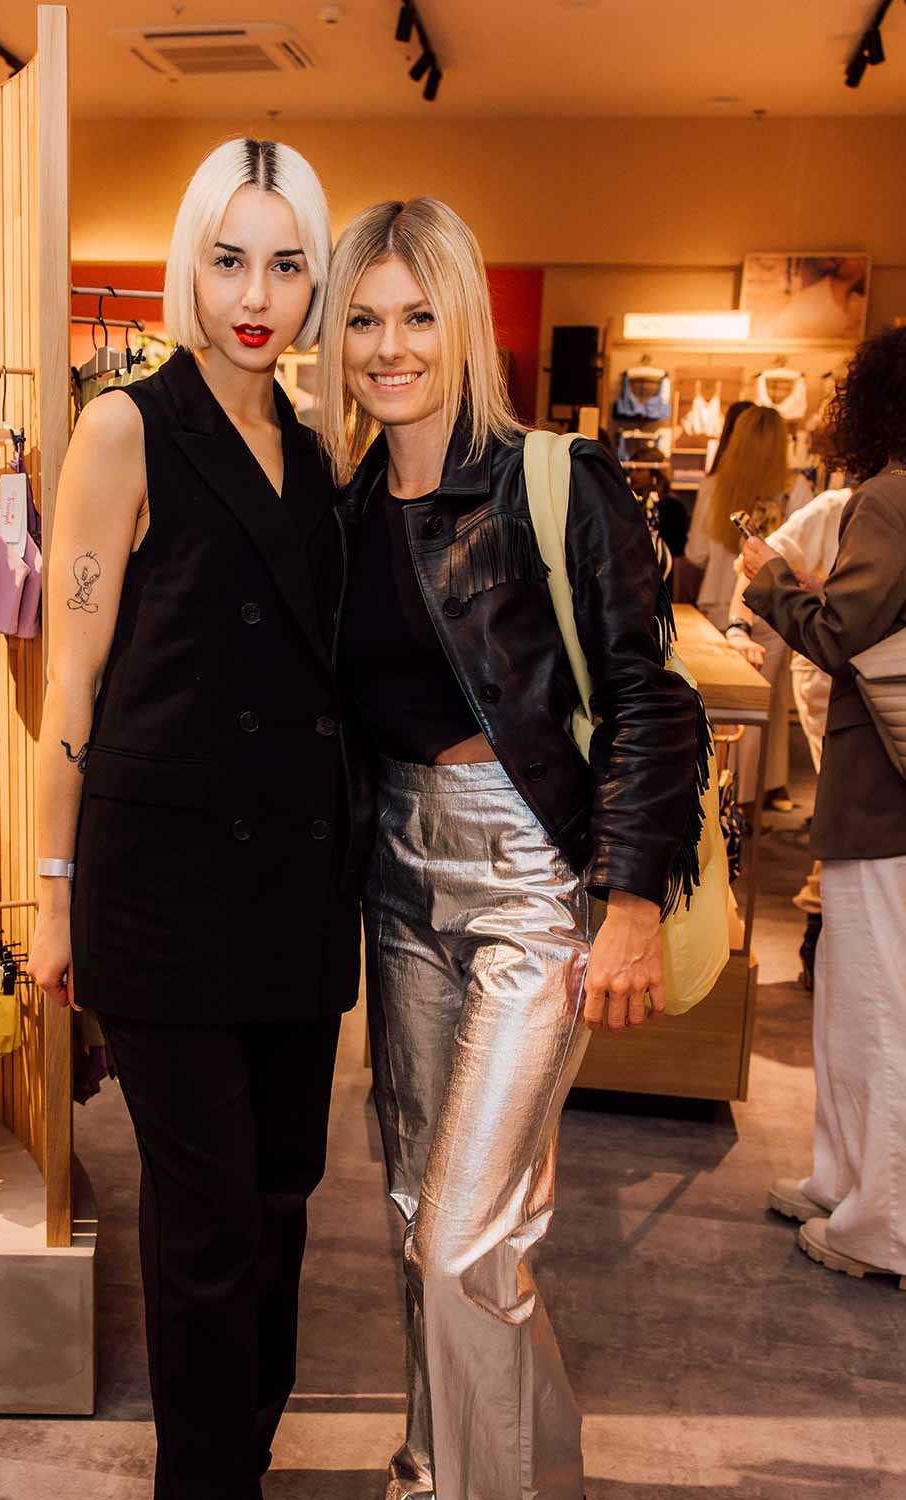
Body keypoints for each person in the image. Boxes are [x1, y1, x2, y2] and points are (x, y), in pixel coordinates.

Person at [317, 198, 704, 1500]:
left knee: (466, 1240)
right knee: (417, 1219)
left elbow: (649, 692)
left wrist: (630, 898)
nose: (390, 347)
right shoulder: (348, 509)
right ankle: (443, 1467)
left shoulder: (553, 480)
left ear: (467, 322)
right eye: (364, 319)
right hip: (397, 877)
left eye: (418, 315)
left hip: (531, 878)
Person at [26, 138, 361, 1499]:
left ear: (315, 278)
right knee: (209, 1220)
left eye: (285, 264)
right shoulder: (126, 427)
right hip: (159, 893)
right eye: (229, 260)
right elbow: (72, 677)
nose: (255, 295)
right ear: (188, 267)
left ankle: (245, 1454)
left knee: (281, 1205)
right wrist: (52, 891)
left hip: (296, 894)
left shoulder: (317, 452)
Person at [741, 324, 906, 1289]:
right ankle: (844, 1184)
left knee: (875, 1005)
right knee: (857, 994)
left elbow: (843, 633)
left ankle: (882, 1219)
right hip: (883, 796)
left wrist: (773, 586)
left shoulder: (888, 497)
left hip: (880, 793)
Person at [723, 481, 851, 987]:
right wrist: (738, 628)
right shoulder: (837, 507)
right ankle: (819, 935)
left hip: (874, 680)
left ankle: (824, 935)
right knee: (843, 804)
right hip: (831, 680)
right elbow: (754, 561)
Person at [685, 404, 813, 808]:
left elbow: (697, 552)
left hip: (716, 603)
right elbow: (802, 560)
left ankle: (709, 796)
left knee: (715, 707)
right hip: (771, 610)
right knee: (760, 707)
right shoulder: (797, 489)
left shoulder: (714, 485)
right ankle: (744, 800)